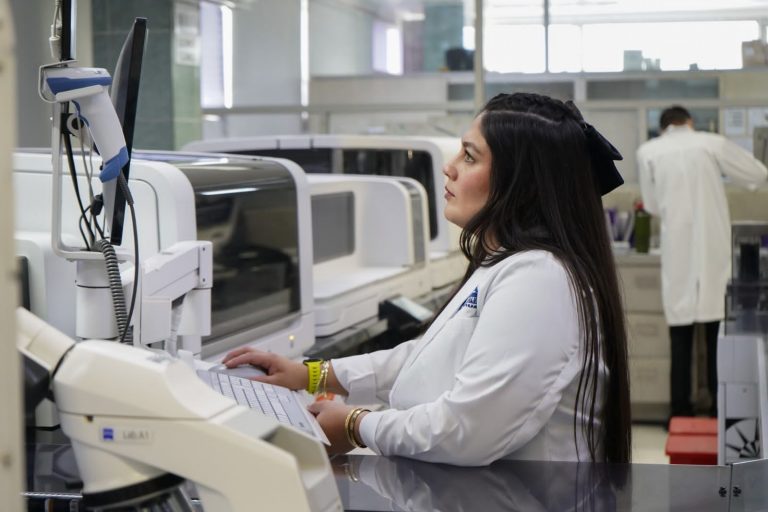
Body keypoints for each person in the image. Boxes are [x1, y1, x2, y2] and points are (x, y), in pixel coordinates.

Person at [223, 92, 632, 466]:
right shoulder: (509, 264)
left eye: (469, 157)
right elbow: (427, 357)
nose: (449, 168)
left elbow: (467, 430)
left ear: (522, 184)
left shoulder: (540, 280)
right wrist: (313, 374)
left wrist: (355, 424)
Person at [636, 106, 768, 419]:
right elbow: (758, 174)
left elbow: (652, 205)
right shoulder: (711, 143)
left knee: (679, 339)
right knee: (716, 336)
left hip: (677, 253)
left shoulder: (648, 151)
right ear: (690, 122)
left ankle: (679, 414)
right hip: (714, 251)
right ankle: (720, 413)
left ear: (663, 126)